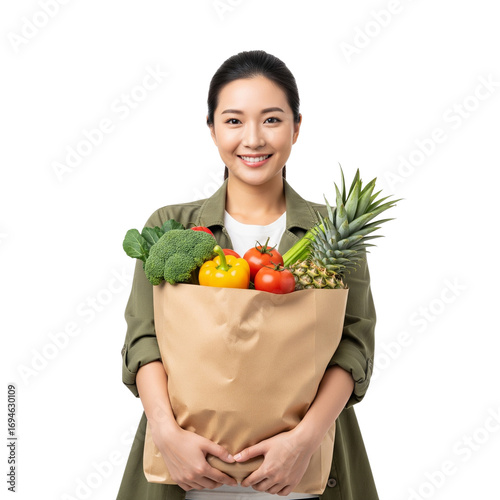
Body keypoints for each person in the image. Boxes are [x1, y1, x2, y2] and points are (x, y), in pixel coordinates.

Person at [117, 50, 379, 500]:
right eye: (234, 121)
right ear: (212, 128)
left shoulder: (332, 232)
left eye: (272, 120)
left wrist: (304, 440)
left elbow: (353, 345)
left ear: (297, 127)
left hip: (304, 476)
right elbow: (144, 340)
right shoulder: (172, 225)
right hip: (185, 475)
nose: (253, 139)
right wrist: (165, 432)